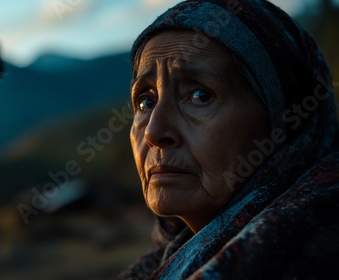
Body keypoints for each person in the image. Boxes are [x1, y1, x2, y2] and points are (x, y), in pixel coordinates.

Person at [119, 0, 339, 279]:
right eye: (145, 102)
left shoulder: (315, 254)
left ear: (283, 116)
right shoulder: (163, 260)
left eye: (200, 96)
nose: (153, 132)